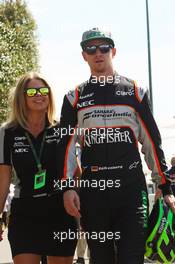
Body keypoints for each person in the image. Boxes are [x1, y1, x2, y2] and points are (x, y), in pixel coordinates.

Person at [58, 27, 175, 264]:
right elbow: (67, 148)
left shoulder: (135, 92)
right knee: (101, 259)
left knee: (131, 258)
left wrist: (165, 187)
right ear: (84, 55)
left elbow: (152, 142)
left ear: (114, 51)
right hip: (94, 192)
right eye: (91, 48)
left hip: (131, 190)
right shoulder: (74, 98)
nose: (98, 53)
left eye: (104, 47)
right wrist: (68, 188)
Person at [0, 72, 77, 264]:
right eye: (32, 91)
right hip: (24, 213)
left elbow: (75, 172)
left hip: (60, 212)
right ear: (21, 97)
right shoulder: (7, 132)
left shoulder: (61, 129)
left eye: (43, 90)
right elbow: (3, 179)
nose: (39, 95)